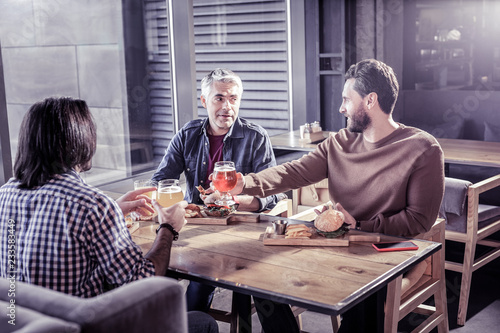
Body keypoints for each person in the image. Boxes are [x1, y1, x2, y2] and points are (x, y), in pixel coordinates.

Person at [229, 59, 445, 332]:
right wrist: (244, 183)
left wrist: (360, 225)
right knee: (259, 274)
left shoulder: (423, 148)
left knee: (363, 294)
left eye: (346, 99)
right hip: (336, 243)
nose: (341, 108)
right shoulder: (339, 142)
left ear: (370, 100)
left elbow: (419, 221)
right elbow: (293, 173)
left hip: (384, 249)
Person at [0, 97, 218, 333]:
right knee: (203, 323)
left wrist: (113, 207)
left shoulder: (4, 195)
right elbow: (144, 283)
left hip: (27, 325)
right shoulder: (92, 205)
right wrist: (168, 228)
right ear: (79, 140)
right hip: (92, 326)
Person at [151, 68, 286, 314]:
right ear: (204, 101)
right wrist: (181, 204)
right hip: (194, 227)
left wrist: (235, 200)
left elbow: (274, 193)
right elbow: (161, 179)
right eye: (219, 98)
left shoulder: (256, 137)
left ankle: (194, 324)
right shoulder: (187, 134)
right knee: (154, 277)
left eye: (233, 99)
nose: (227, 106)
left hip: (242, 230)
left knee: (200, 282)